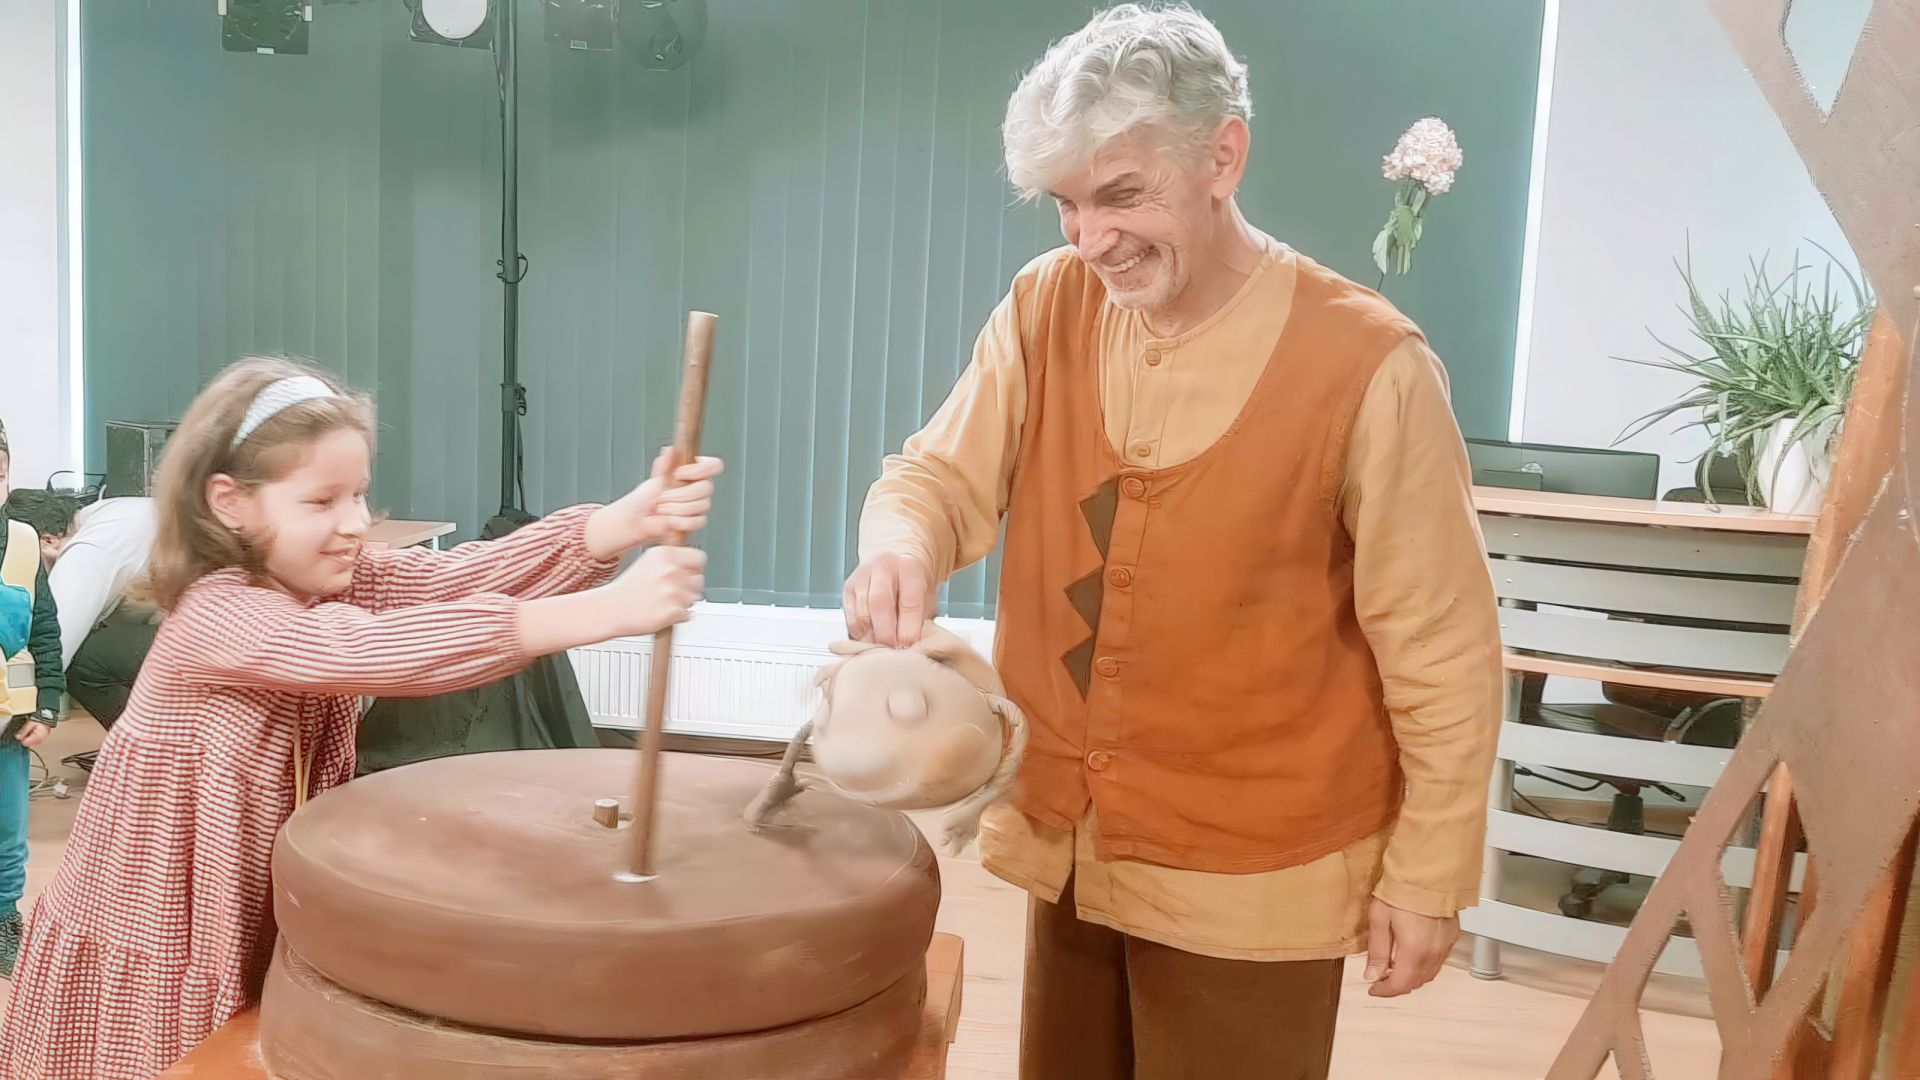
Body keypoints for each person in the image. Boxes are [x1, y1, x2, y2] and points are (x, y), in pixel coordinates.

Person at [846, 6, 1504, 1077]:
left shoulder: (1372, 366)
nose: (1088, 238)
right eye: (1066, 204)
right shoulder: (1046, 305)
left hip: (1260, 876)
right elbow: (935, 476)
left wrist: (1429, 874)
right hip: (1073, 847)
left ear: (1223, 158)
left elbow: (1442, 647)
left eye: (1120, 194)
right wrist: (902, 546)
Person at [0, 356, 720, 1079]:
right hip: (162, 913)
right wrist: (606, 611)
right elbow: (373, 650)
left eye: (359, 495)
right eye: (322, 502)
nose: (355, 523)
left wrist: (616, 524)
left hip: (246, 892)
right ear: (230, 502)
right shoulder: (219, 608)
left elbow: (457, 578)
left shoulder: (328, 580)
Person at [0, 422, 68, 979]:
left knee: (7, 835)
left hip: (8, 724)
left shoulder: (23, 541)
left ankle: (4, 918)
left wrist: (47, 704)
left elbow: (44, 629)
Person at [4, 491, 157, 731]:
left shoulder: (87, 551)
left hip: (208, 626)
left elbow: (57, 644)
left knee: (86, 663)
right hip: (210, 611)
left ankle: (146, 745)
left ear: (47, 541)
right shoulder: (107, 510)